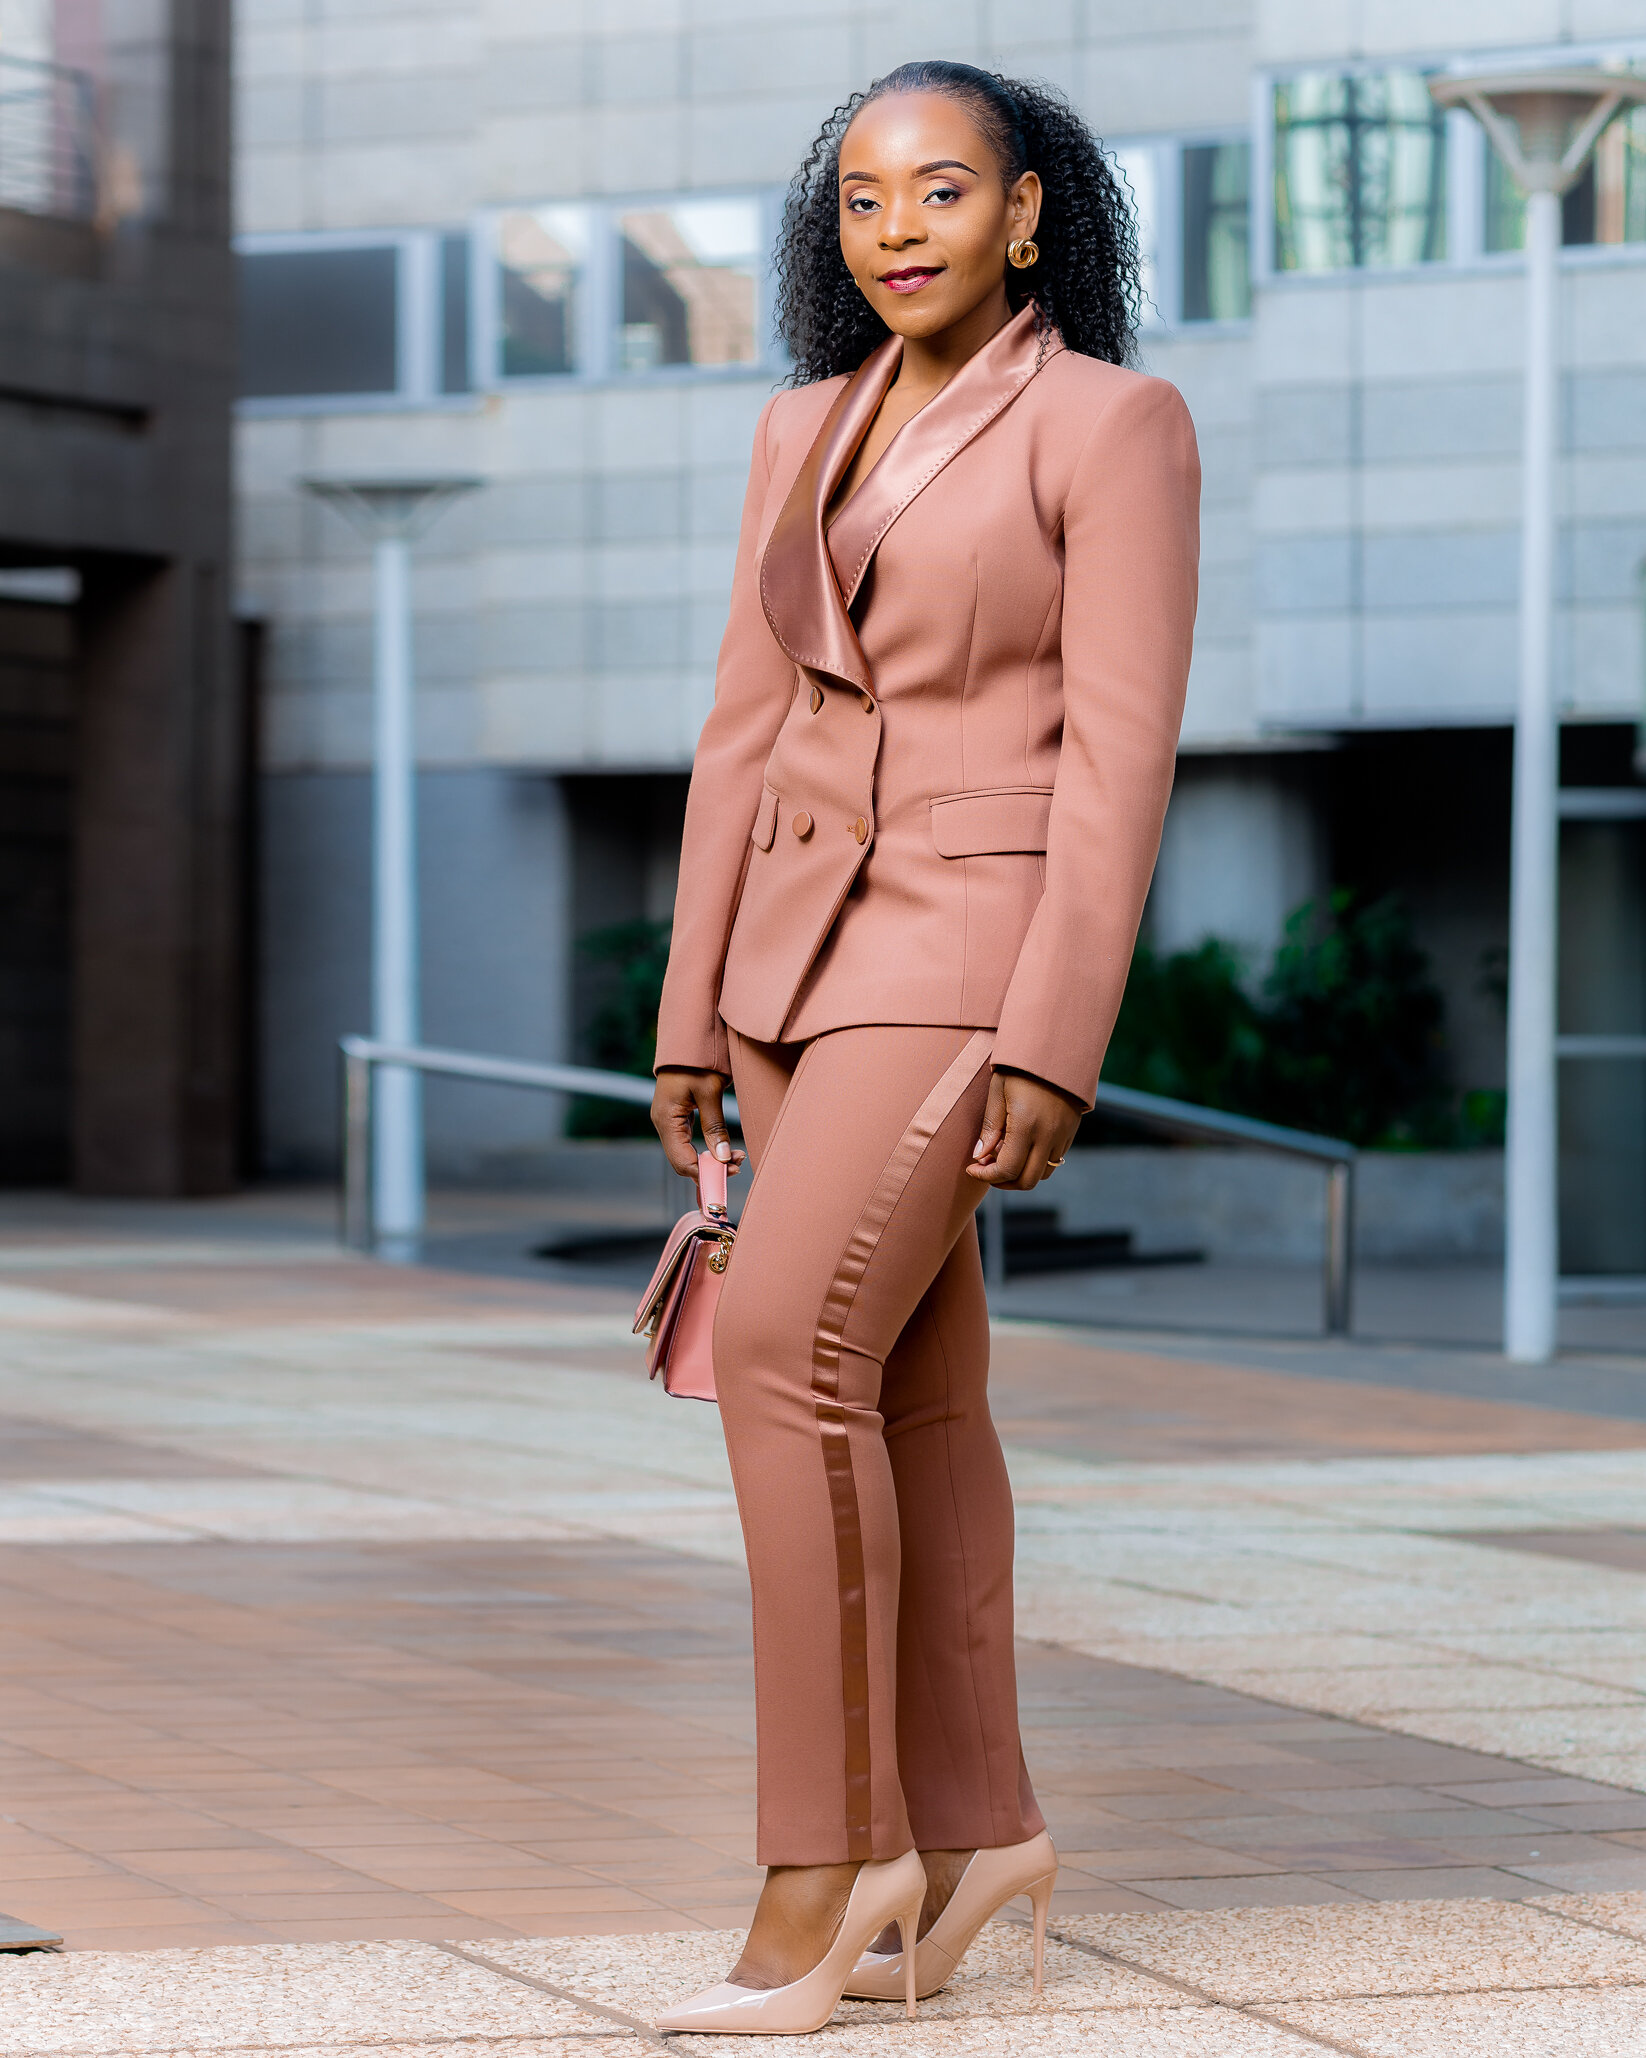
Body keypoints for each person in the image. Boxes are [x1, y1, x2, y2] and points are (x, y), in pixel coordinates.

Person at [648, 58, 1200, 2036]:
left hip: (962, 956)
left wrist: (1053, 1034)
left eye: (943, 192)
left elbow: (1119, 751)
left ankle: (831, 1855)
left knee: (783, 1359)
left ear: (1030, 213)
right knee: (914, 1405)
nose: (900, 230)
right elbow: (742, 725)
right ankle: (979, 1835)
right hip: (789, 968)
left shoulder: (1111, 424)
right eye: (868, 200)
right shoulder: (798, 427)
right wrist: (689, 997)